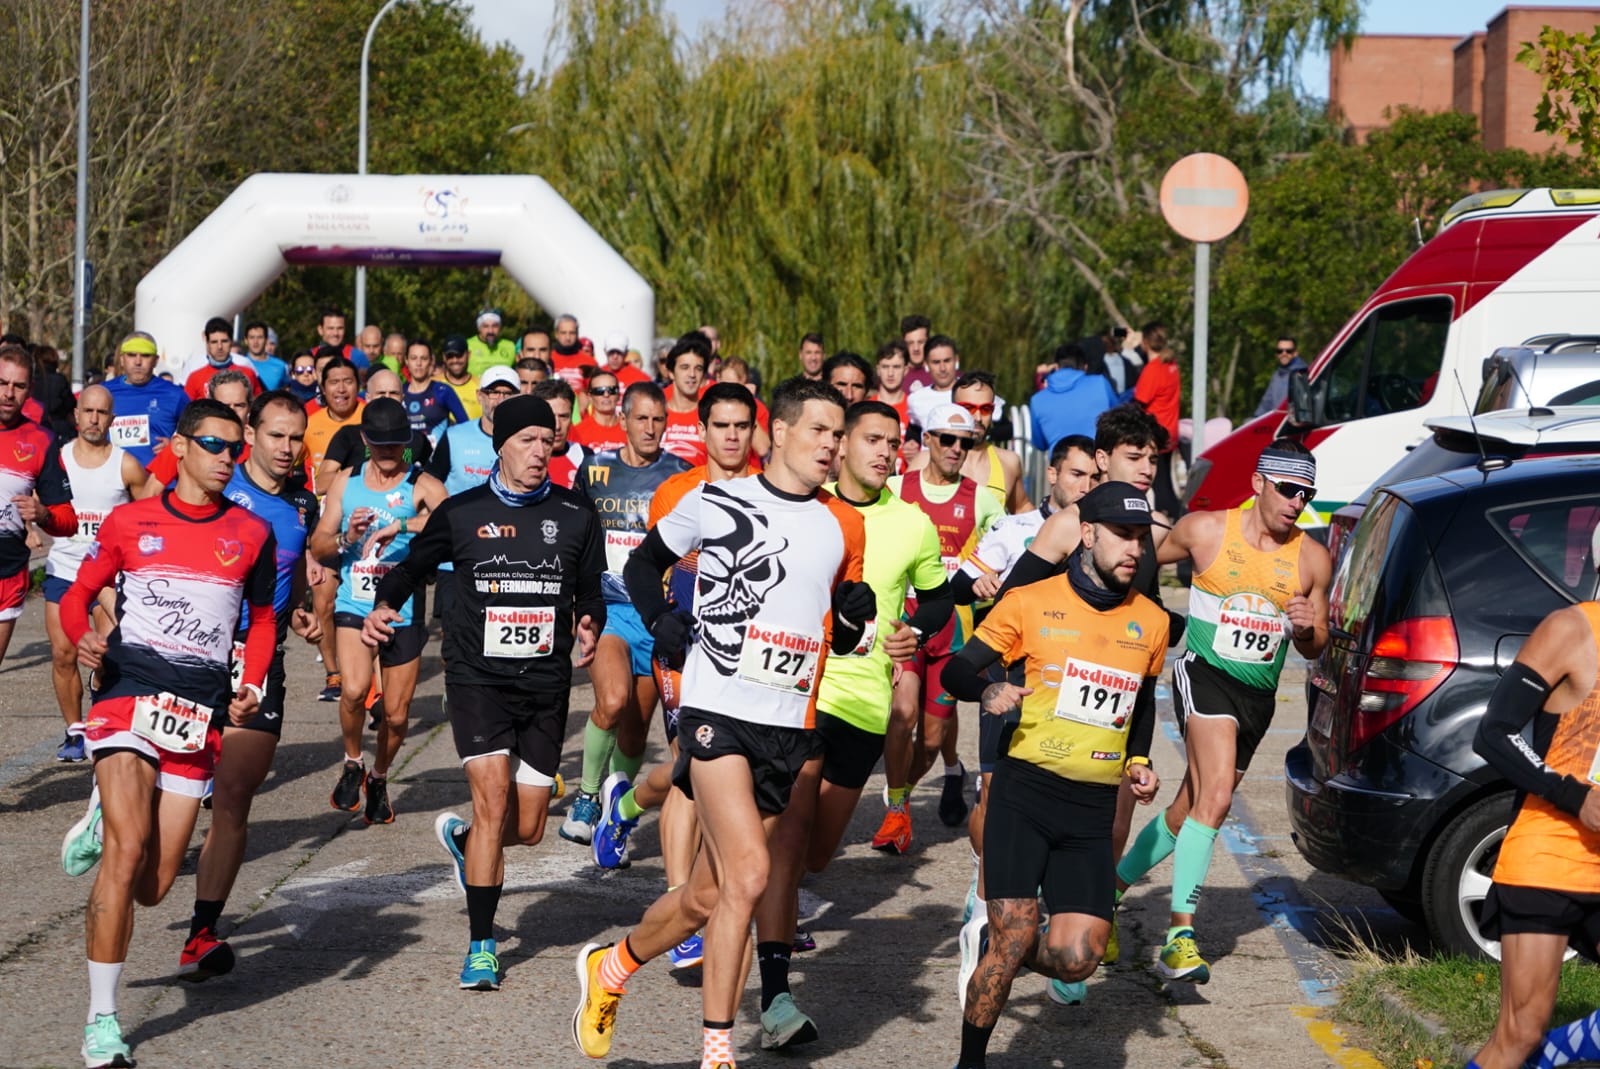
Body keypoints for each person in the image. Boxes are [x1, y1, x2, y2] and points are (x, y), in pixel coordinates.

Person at [571, 378, 871, 1069]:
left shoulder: (843, 523)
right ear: (784, 431)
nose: (833, 445)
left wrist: (856, 617)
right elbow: (645, 563)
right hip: (715, 710)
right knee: (750, 873)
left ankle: (611, 966)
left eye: (838, 433)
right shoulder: (714, 499)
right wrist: (659, 618)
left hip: (789, 723)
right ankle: (718, 1053)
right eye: (821, 431)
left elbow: (845, 632)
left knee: (708, 894)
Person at [58, 398, 277, 1069]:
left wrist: (255, 681)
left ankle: (106, 811)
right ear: (179, 446)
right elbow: (75, 593)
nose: (225, 457)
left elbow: (262, 620)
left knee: (152, 885)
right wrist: (86, 636)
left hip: (197, 714)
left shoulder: (252, 532)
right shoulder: (131, 520)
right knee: (125, 855)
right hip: (126, 696)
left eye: (234, 447)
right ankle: (103, 1020)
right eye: (213, 443)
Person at [369, 396, 602, 990]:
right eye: (527, 441)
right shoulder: (463, 511)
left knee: (525, 829)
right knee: (492, 799)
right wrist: (383, 606)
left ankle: (468, 841)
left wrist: (589, 622)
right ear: (499, 444)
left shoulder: (576, 512)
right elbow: (408, 567)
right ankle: (481, 945)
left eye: (547, 442)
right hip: (477, 679)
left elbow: (590, 591)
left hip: (545, 684)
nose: (538, 453)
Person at [943, 482, 1169, 1069]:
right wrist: (989, 686)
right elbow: (956, 670)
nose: (1134, 549)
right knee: (1017, 931)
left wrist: (1139, 761)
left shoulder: (1152, 619)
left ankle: (997, 947)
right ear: (1088, 534)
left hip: (1091, 810)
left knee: (1078, 959)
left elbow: (1139, 704)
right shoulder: (1030, 601)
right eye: (1121, 535)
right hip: (1026, 794)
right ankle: (971, 1061)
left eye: (1141, 538)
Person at [747, 399, 951, 1048]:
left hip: (865, 706)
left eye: (894, 442)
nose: (885, 451)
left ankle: (718, 860)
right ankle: (776, 995)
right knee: (786, 840)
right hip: (802, 694)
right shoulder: (811, 507)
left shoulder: (913, 525)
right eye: (872, 439)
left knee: (814, 854)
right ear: (844, 444)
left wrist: (911, 633)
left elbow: (940, 598)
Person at [1114, 439, 1330, 983]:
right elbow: (1133, 560)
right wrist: (1140, 624)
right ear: (1259, 482)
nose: (1296, 501)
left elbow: (1316, 642)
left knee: (1189, 811)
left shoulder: (1311, 557)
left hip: (1257, 699)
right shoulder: (1206, 529)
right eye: (1287, 489)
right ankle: (1180, 937)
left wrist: (1306, 629)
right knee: (1217, 796)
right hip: (1204, 676)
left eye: (1306, 493)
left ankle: (1105, 891)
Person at [590, 385, 763, 982]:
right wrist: (660, 619)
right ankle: (683, 905)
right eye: (722, 425)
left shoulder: (772, 489)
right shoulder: (676, 491)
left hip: (748, 655)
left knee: (700, 771)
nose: (733, 437)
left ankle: (628, 802)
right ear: (705, 429)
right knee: (692, 765)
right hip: (684, 648)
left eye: (743, 425)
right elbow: (647, 565)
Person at [180, 390, 322, 982]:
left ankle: (201, 933)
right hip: (191, 655)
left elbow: (282, 577)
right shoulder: (218, 486)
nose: (287, 449)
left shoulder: (302, 504)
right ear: (250, 434)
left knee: (234, 798)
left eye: (296, 438)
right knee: (176, 797)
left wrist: (302, 610)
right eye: (276, 436)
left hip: (260, 659)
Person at [1465, 554, 1600, 1069]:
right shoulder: (1572, 629)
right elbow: (1493, 733)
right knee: (1520, 1032)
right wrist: (1575, 796)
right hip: (1549, 858)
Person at [872, 403, 1005, 853]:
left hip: (952, 634)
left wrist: (994, 577)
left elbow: (1013, 546)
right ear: (927, 439)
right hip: (906, 625)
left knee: (929, 742)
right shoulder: (895, 487)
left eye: (964, 442)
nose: (955, 449)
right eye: (946, 439)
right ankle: (894, 811)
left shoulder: (983, 499)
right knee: (902, 712)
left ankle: (903, 793)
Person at [563, 381, 690, 845]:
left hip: (657, 615)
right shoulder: (594, 471)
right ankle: (588, 795)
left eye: (659, 420)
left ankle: (616, 807)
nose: (651, 428)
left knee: (635, 735)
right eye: (642, 419)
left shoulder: (682, 475)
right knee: (612, 702)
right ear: (624, 421)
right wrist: (575, 603)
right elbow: (576, 539)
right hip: (610, 610)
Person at [309, 398, 443, 824]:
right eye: (380, 447)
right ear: (366, 440)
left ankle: (380, 776)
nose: (388, 456)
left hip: (403, 607)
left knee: (397, 715)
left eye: (396, 448)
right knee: (352, 690)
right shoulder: (346, 485)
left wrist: (401, 525)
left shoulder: (421, 484)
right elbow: (320, 544)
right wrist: (348, 535)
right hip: (354, 603)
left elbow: (453, 522)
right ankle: (353, 762)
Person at [44, 385, 146, 760]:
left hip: (109, 576)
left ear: (112, 420)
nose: (94, 419)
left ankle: (103, 717)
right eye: (88, 411)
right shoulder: (56, 460)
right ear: (76, 415)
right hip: (65, 568)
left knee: (108, 656)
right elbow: (36, 501)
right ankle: (74, 731)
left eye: (102, 413)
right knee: (63, 654)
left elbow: (150, 513)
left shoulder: (126, 464)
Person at [0, 345, 75, 671]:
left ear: (30, 390)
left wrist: (43, 515)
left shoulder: (41, 440)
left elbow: (68, 521)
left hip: (7, 570)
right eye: (2, 383)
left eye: (18, 386)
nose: (8, 393)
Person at [139, 369, 255, 496]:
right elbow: (151, 492)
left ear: (249, 407)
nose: (232, 412)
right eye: (224, 406)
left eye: (239, 405)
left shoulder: (259, 447)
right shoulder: (187, 443)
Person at [318, 369, 433, 483]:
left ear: (402, 399)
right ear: (368, 398)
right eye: (381, 393)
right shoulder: (349, 434)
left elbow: (434, 478)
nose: (387, 398)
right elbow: (322, 483)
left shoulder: (417, 438)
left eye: (394, 393)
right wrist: (366, 478)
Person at [103, 332, 189, 468]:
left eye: (145, 355)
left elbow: (196, 433)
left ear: (155, 360)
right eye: (131, 355)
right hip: (113, 481)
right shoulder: (103, 392)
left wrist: (177, 445)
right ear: (121, 359)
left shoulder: (175, 395)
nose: (138, 362)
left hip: (158, 482)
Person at [1132, 321, 1182, 518]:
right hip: (1171, 429)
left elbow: (1139, 401)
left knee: (1159, 484)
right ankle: (1174, 515)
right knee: (1164, 481)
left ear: (1145, 342)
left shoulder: (1152, 369)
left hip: (1156, 432)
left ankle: (1170, 518)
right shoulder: (1171, 365)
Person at [1031, 344, 1118, 453]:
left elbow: (1040, 444)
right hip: (1097, 459)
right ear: (1085, 367)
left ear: (1056, 367)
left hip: (1060, 464)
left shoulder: (1037, 400)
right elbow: (1118, 419)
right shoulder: (1101, 383)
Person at [906, 334, 986, 432]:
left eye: (947, 361)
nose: (942, 368)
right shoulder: (916, 399)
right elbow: (914, 429)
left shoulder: (974, 392)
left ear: (956, 360)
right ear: (926, 364)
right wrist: (911, 441)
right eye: (936, 362)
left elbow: (1005, 426)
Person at [660, 333, 711, 466]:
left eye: (698, 368)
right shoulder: (655, 414)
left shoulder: (710, 416)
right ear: (671, 373)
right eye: (685, 367)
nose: (692, 374)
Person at [402, 340, 469, 439]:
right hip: (407, 453)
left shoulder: (443, 391)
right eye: (413, 358)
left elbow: (466, 426)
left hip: (437, 453)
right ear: (406, 360)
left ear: (431, 360)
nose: (418, 363)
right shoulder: (399, 392)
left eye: (424, 358)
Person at [532, 379, 584, 489]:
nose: (557, 426)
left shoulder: (585, 457)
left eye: (563, 416)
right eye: (550, 416)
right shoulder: (522, 457)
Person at [569, 369, 627, 454]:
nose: (606, 395)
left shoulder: (630, 430)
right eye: (599, 391)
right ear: (590, 397)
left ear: (618, 395)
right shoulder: (576, 433)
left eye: (611, 390)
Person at [1253, 336, 1309, 418]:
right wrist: (1255, 419)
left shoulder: (1302, 374)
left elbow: (1303, 411)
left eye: (1288, 351)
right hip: (1277, 425)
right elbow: (1267, 403)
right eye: (1280, 351)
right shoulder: (1276, 376)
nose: (1284, 354)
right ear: (1276, 354)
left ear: (1295, 353)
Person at [437, 335, 482, 421]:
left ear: (469, 355)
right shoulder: (433, 384)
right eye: (450, 356)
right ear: (443, 357)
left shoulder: (480, 385)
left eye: (459, 355)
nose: (455, 360)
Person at [871, 340, 911, 436]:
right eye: (885, 367)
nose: (890, 373)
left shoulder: (914, 408)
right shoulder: (867, 407)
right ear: (878, 370)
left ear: (905, 370)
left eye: (896, 367)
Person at [550, 314, 593, 394]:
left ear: (577, 334)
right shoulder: (549, 359)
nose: (568, 337)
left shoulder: (589, 362)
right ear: (556, 334)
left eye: (572, 333)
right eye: (563, 333)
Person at [467, 309, 517, 377]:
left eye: (495, 326)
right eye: (486, 326)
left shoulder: (510, 346)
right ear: (479, 328)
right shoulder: (467, 345)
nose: (490, 331)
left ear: (500, 327)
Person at [241, 321, 288, 391]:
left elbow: (286, 391)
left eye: (260, 337)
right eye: (252, 337)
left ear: (266, 339)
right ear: (246, 340)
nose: (255, 342)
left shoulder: (280, 366)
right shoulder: (239, 364)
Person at [901, 314, 933, 392]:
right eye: (910, 343)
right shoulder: (894, 376)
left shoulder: (942, 374)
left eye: (921, 342)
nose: (916, 348)